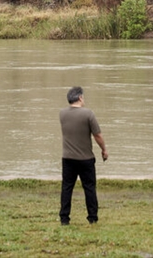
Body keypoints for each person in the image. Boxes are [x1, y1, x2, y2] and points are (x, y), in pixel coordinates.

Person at [59, 86, 108, 225]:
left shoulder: (62, 114)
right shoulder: (88, 114)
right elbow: (97, 135)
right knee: (89, 188)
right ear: (80, 97)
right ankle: (92, 217)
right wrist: (104, 149)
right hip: (85, 158)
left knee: (67, 187)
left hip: (67, 158)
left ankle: (64, 217)